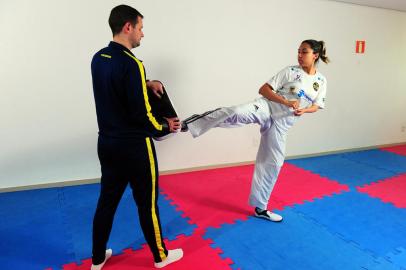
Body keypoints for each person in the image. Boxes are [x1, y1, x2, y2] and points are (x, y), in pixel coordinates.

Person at [182, 40, 330, 222]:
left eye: (304, 52)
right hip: (266, 108)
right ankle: (187, 125)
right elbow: (263, 89)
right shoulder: (291, 71)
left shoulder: (321, 81)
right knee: (235, 112)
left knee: (274, 163)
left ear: (315, 55)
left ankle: (260, 208)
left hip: (282, 124)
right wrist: (285, 102)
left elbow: (317, 105)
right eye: (298, 51)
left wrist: (304, 110)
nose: (299, 55)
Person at [90, 5, 183, 270]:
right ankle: (161, 257)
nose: (143, 34)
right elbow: (144, 116)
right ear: (128, 27)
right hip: (135, 147)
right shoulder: (132, 63)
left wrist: (146, 83)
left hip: (107, 144)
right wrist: (166, 126)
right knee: (147, 204)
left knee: (106, 201)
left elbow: (115, 90)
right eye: (140, 28)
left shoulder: (99, 58)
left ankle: (97, 260)